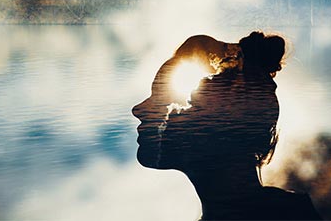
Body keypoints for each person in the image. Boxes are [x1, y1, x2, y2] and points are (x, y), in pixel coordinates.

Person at [132, 31, 321, 220]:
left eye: (190, 106)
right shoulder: (288, 211)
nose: (137, 110)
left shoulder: (291, 215)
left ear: (222, 136)